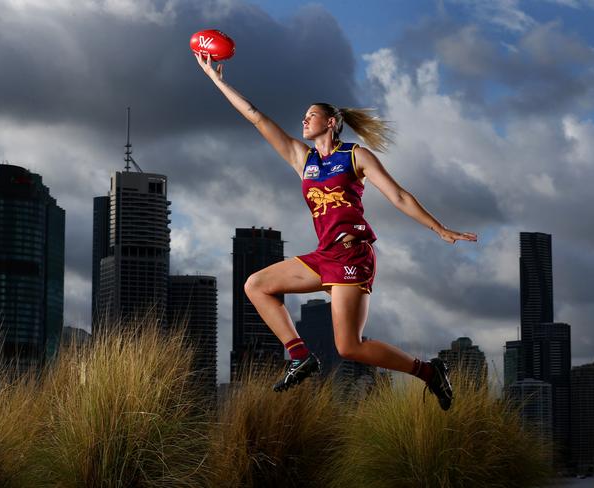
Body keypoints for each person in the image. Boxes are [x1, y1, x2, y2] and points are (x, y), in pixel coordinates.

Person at [195, 53, 477, 411]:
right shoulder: (303, 159)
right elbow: (255, 116)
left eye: (310, 115)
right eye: (302, 116)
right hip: (324, 254)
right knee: (256, 285)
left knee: (349, 347)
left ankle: (430, 373)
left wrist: (439, 229)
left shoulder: (355, 156)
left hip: (352, 254)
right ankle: (299, 357)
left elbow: (399, 195)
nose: (303, 119)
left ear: (330, 122)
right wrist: (216, 80)